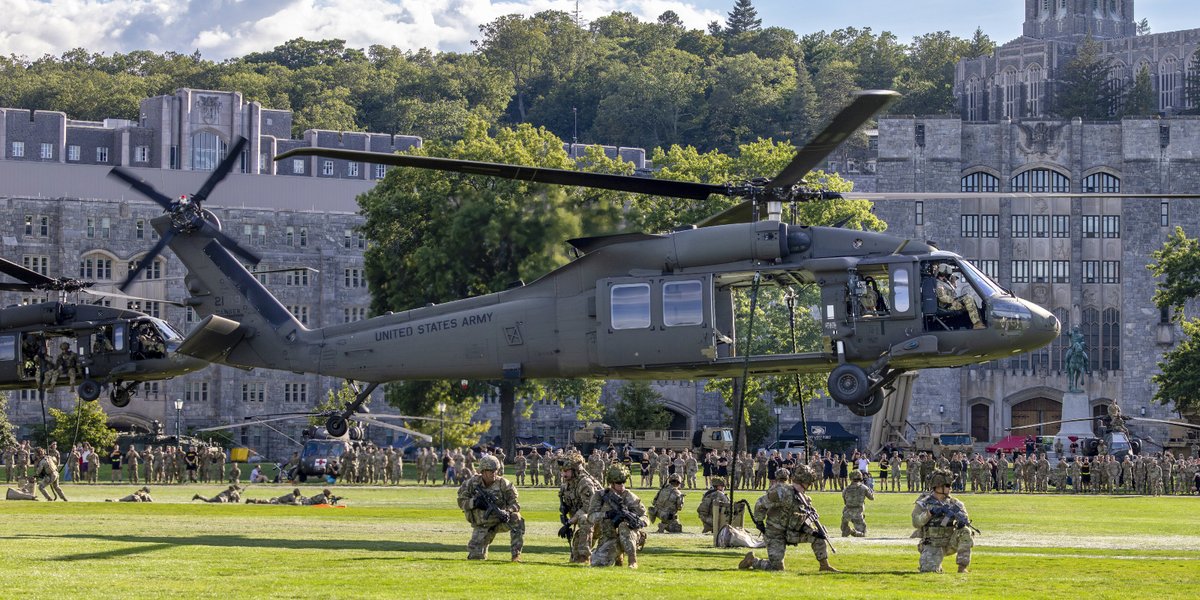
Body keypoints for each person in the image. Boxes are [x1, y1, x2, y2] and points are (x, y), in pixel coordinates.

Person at [739, 465, 838, 573]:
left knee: (819, 537)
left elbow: (802, 523)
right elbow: (760, 504)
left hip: (792, 532)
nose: (809, 486)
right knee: (777, 568)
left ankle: (824, 565)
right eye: (808, 483)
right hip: (775, 533)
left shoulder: (804, 499)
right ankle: (752, 561)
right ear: (803, 482)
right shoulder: (782, 492)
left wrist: (813, 532)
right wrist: (759, 522)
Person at [456, 454, 524, 561]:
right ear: (483, 471)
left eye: (496, 470)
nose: (494, 473)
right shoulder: (471, 483)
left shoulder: (504, 484)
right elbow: (461, 502)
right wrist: (474, 502)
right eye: (490, 470)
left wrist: (507, 512)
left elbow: (515, 504)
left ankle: (516, 555)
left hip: (500, 521)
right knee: (476, 558)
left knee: (517, 518)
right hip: (482, 525)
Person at [911, 468, 974, 573]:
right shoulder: (924, 503)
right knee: (928, 571)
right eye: (948, 486)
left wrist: (961, 522)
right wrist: (930, 513)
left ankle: (962, 567)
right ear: (938, 487)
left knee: (966, 531)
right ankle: (934, 564)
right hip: (932, 543)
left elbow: (965, 518)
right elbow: (916, 522)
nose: (950, 488)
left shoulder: (955, 504)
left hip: (950, 542)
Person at [587, 465, 647, 568]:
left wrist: (639, 521)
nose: (622, 485)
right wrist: (606, 514)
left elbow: (645, 516)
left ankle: (632, 561)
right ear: (612, 483)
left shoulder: (630, 496)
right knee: (597, 563)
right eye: (619, 483)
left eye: (623, 482)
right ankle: (617, 556)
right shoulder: (600, 496)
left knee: (624, 526)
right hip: (608, 534)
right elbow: (591, 517)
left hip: (630, 535)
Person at [558, 455, 601, 564]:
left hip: (600, 521)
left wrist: (569, 522)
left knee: (584, 518)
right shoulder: (567, 485)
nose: (564, 474)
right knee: (574, 558)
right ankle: (579, 558)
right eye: (563, 471)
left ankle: (585, 557)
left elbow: (588, 507)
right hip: (588, 523)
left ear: (575, 471)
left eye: (566, 471)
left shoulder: (585, 483)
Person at [934, 263, 984, 329]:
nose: (943, 277)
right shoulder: (939, 284)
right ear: (938, 274)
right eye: (942, 275)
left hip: (950, 304)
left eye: (945, 275)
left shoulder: (945, 282)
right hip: (946, 306)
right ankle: (977, 324)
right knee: (968, 299)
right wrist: (953, 300)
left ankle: (979, 321)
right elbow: (942, 297)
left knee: (969, 298)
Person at [841, 470, 875, 537]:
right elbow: (872, 498)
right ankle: (852, 531)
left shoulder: (846, 489)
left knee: (844, 526)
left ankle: (846, 529)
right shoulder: (864, 488)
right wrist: (871, 490)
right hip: (858, 513)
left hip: (847, 513)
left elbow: (845, 501)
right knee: (862, 533)